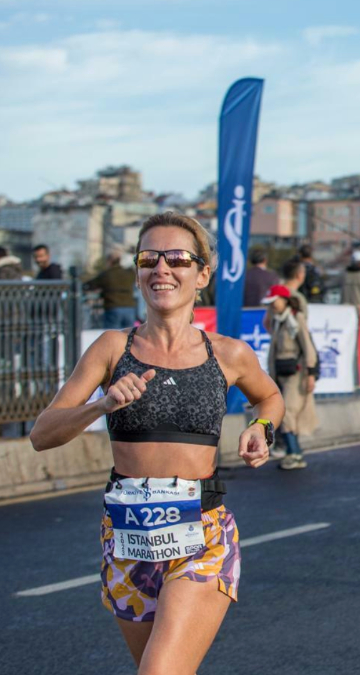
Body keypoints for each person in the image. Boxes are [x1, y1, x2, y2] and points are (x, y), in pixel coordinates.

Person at [28, 212, 281, 673]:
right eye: (149, 258)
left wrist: (261, 429)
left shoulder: (227, 353)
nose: (161, 268)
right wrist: (101, 406)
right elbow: (42, 434)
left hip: (203, 535)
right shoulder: (111, 348)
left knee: (159, 671)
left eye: (178, 259)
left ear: (201, 274)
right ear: (138, 271)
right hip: (127, 539)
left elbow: (270, 397)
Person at [265, 284, 318, 470]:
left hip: (296, 373)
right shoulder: (277, 320)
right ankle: (293, 452)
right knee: (285, 413)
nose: (272, 305)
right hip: (280, 373)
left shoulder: (296, 319)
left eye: (275, 301)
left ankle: (294, 453)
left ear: (284, 300)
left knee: (288, 412)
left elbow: (308, 347)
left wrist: (310, 374)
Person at [84, 248, 139, 329]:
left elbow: (89, 285)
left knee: (112, 336)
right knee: (130, 336)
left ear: (109, 261)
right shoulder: (129, 273)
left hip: (113, 307)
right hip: (129, 307)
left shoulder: (107, 275)